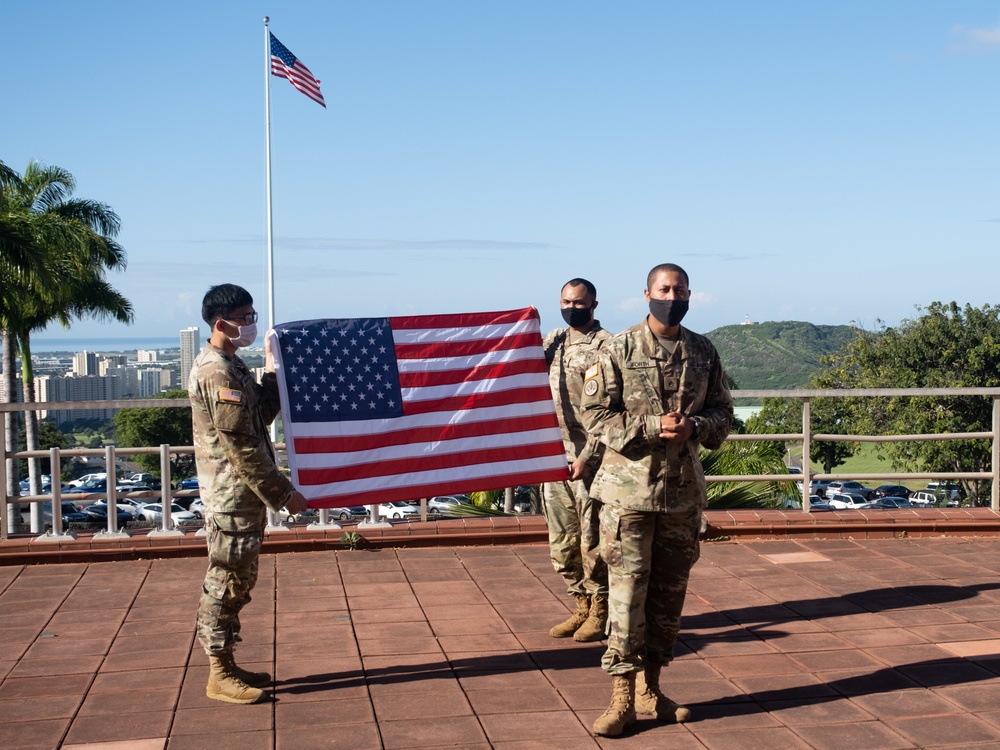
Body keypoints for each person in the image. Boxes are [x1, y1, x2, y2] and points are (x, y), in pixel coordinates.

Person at [580, 263, 733, 737]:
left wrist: (698, 427)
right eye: (665, 289)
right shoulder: (618, 349)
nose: (673, 296)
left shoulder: (702, 351)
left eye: (681, 290)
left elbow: (723, 412)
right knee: (627, 598)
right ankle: (621, 698)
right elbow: (594, 414)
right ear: (646, 294)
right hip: (629, 498)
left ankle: (653, 689)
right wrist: (649, 428)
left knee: (668, 600)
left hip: (682, 498)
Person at [189, 284, 308, 704]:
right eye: (244, 318)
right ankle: (217, 673)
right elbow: (241, 448)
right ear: (220, 324)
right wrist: (283, 494)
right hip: (231, 498)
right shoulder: (215, 371)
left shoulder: (232, 364)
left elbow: (261, 417)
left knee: (241, 579)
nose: (251, 324)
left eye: (252, 315)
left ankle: (227, 662)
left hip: (244, 497)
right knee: (224, 581)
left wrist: (274, 369)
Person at [541, 278, 612, 642]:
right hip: (555, 458)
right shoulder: (552, 341)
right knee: (562, 542)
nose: (572, 307)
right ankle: (580, 605)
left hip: (592, 463)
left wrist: (588, 456)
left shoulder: (606, 347)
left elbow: (610, 412)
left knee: (592, 541)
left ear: (594, 305)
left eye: (579, 302)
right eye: (566, 301)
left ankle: (601, 609)